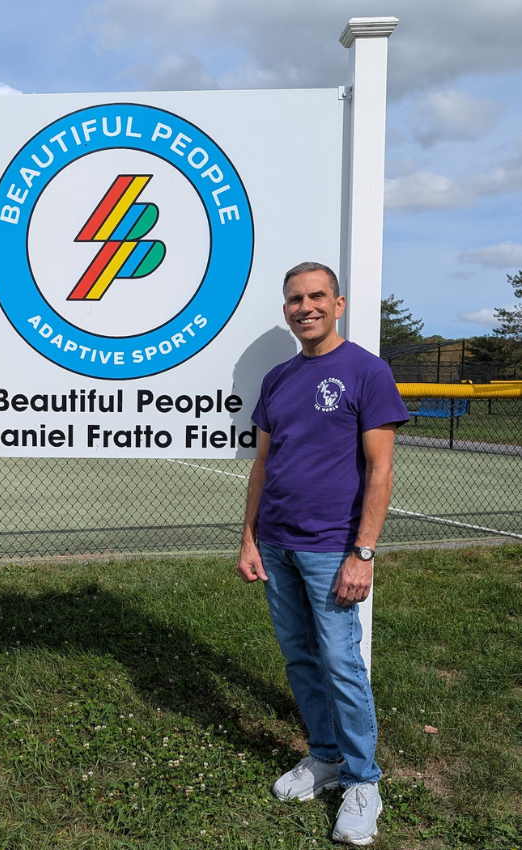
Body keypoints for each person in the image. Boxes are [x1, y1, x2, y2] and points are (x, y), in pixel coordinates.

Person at [238, 262, 408, 846]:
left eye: (316, 297)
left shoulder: (367, 370)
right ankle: (326, 756)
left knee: (341, 662)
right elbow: (262, 464)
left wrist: (363, 552)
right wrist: (250, 537)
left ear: (338, 303)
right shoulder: (280, 377)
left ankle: (364, 781)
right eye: (294, 299)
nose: (304, 307)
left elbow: (381, 470)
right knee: (300, 659)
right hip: (278, 544)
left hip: (333, 546)